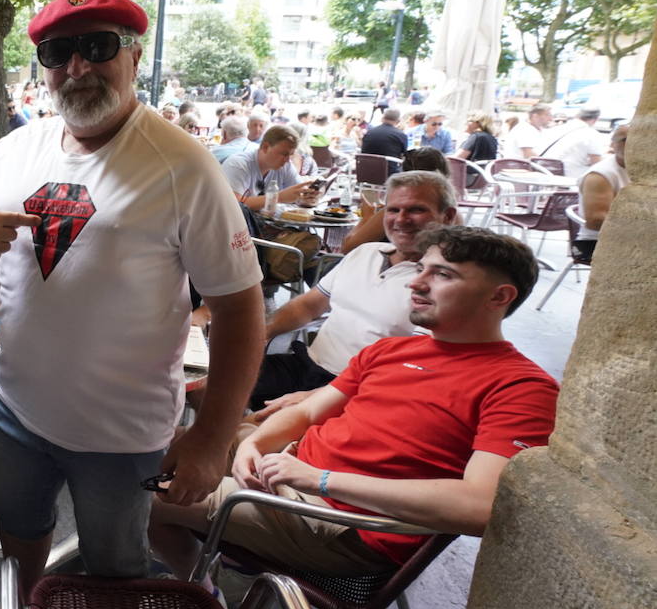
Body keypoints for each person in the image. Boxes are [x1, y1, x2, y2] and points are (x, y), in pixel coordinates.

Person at [0, 0, 264, 609]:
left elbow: (240, 308)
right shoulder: (18, 149)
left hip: (122, 431)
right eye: (58, 53)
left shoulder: (183, 165)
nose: (77, 66)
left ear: (133, 56)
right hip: (16, 408)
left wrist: (211, 438)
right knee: (19, 526)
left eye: (97, 46)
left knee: (115, 562)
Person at [149, 225, 557, 579]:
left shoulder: (520, 386)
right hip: (289, 468)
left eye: (443, 274)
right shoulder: (392, 350)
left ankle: (201, 590)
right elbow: (307, 411)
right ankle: (201, 560)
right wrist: (253, 445)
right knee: (148, 451)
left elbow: (480, 507)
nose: (416, 283)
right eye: (421, 269)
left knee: (142, 495)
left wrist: (320, 480)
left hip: (343, 523)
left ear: (499, 297)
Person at [250, 171, 457, 411]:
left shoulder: (444, 282)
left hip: (362, 392)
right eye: (392, 210)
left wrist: (317, 396)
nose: (401, 219)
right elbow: (308, 306)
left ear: (447, 216)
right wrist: (262, 333)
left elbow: (411, 366)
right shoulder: (365, 252)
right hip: (307, 365)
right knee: (220, 380)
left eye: (416, 210)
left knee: (253, 423)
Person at [222, 125, 318, 212]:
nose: (287, 160)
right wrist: (278, 197)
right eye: (284, 154)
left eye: (290, 155)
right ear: (265, 147)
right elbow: (234, 205)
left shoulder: (285, 165)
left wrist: (306, 198)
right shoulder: (238, 164)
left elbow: (299, 194)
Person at [576, 125, 628, 259]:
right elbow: (596, 221)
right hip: (596, 244)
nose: (632, 144)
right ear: (613, 145)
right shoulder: (600, 176)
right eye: (625, 140)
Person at [540, 107, 606, 177]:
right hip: (570, 178)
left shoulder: (553, 130)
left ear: (576, 116)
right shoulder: (592, 134)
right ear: (596, 120)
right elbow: (597, 164)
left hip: (543, 173)